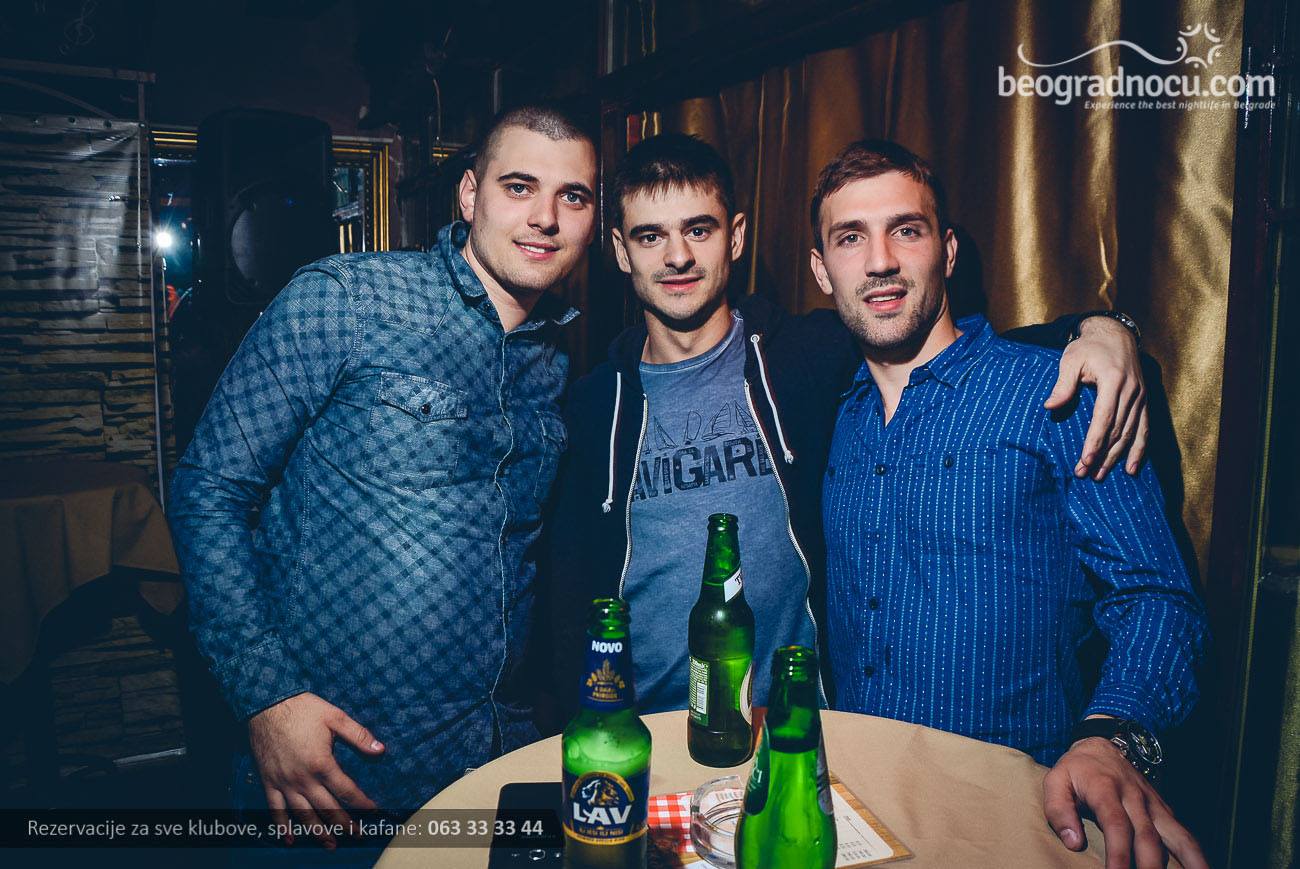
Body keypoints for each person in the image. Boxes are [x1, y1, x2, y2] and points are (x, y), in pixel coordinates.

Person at [542, 133, 1148, 727]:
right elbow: (564, 591)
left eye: (699, 230)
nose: (677, 257)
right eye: (651, 237)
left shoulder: (806, 356)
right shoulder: (591, 406)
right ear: (621, 250)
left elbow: (949, 342)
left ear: (737, 237)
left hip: (794, 729)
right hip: (644, 732)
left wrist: (1104, 329)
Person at [167, 105, 596, 844]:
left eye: (574, 196)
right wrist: (266, 697)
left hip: (495, 757)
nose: (546, 218)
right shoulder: (346, 300)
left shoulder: (554, 358)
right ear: (471, 194)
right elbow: (209, 489)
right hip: (334, 770)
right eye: (520, 186)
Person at [813, 139, 1209, 869]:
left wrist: (1111, 737)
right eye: (850, 238)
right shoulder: (837, 416)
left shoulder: (1054, 392)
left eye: (906, 230)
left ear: (947, 250)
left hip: (1012, 820)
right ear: (822, 268)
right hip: (857, 811)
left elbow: (1157, 596)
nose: (880, 261)